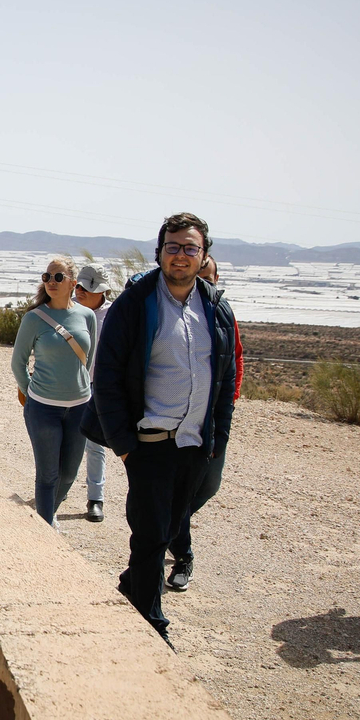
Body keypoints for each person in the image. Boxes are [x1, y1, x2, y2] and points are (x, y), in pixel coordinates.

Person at [86, 213, 238, 648]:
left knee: (170, 528)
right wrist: (124, 445)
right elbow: (107, 377)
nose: (181, 255)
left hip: (195, 442)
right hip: (149, 443)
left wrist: (218, 436)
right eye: (173, 247)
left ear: (204, 256)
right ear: (159, 253)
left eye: (190, 248)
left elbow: (225, 375)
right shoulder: (136, 304)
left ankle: (129, 585)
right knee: (151, 536)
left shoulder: (216, 306)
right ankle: (152, 627)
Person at [163, 256, 246, 591]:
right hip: (175, 419)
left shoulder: (222, 312)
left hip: (211, 418)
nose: (203, 284)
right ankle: (183, 556)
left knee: (208, 485)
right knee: (176, 489)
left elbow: (235, 358)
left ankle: (167, 528)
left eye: (208, 278)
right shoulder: (173, 311)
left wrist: (230, 398)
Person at [11, 256, 97, 528]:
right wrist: (33, 394)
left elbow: (88, 360)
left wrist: (79, 386)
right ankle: (46, 529)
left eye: (58, 277)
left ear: (73, 283)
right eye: (47, 277)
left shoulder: (87, 316)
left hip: (80, 407)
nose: (51, 282)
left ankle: (46, 515)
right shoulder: (33, 319)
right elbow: (18, 363)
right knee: (48, 475)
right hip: (43, 408)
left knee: (69, 474)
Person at [73, 263, 113, 523]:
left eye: (88, 287)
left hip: (100, 387)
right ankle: (59, 488)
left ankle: (95, 498)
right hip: (69, 385)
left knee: (95, 445)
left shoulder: (115, 314)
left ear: (102, 291)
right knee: (65, 440)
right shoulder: (67, 309)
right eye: (79, 286)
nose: (81, 291)